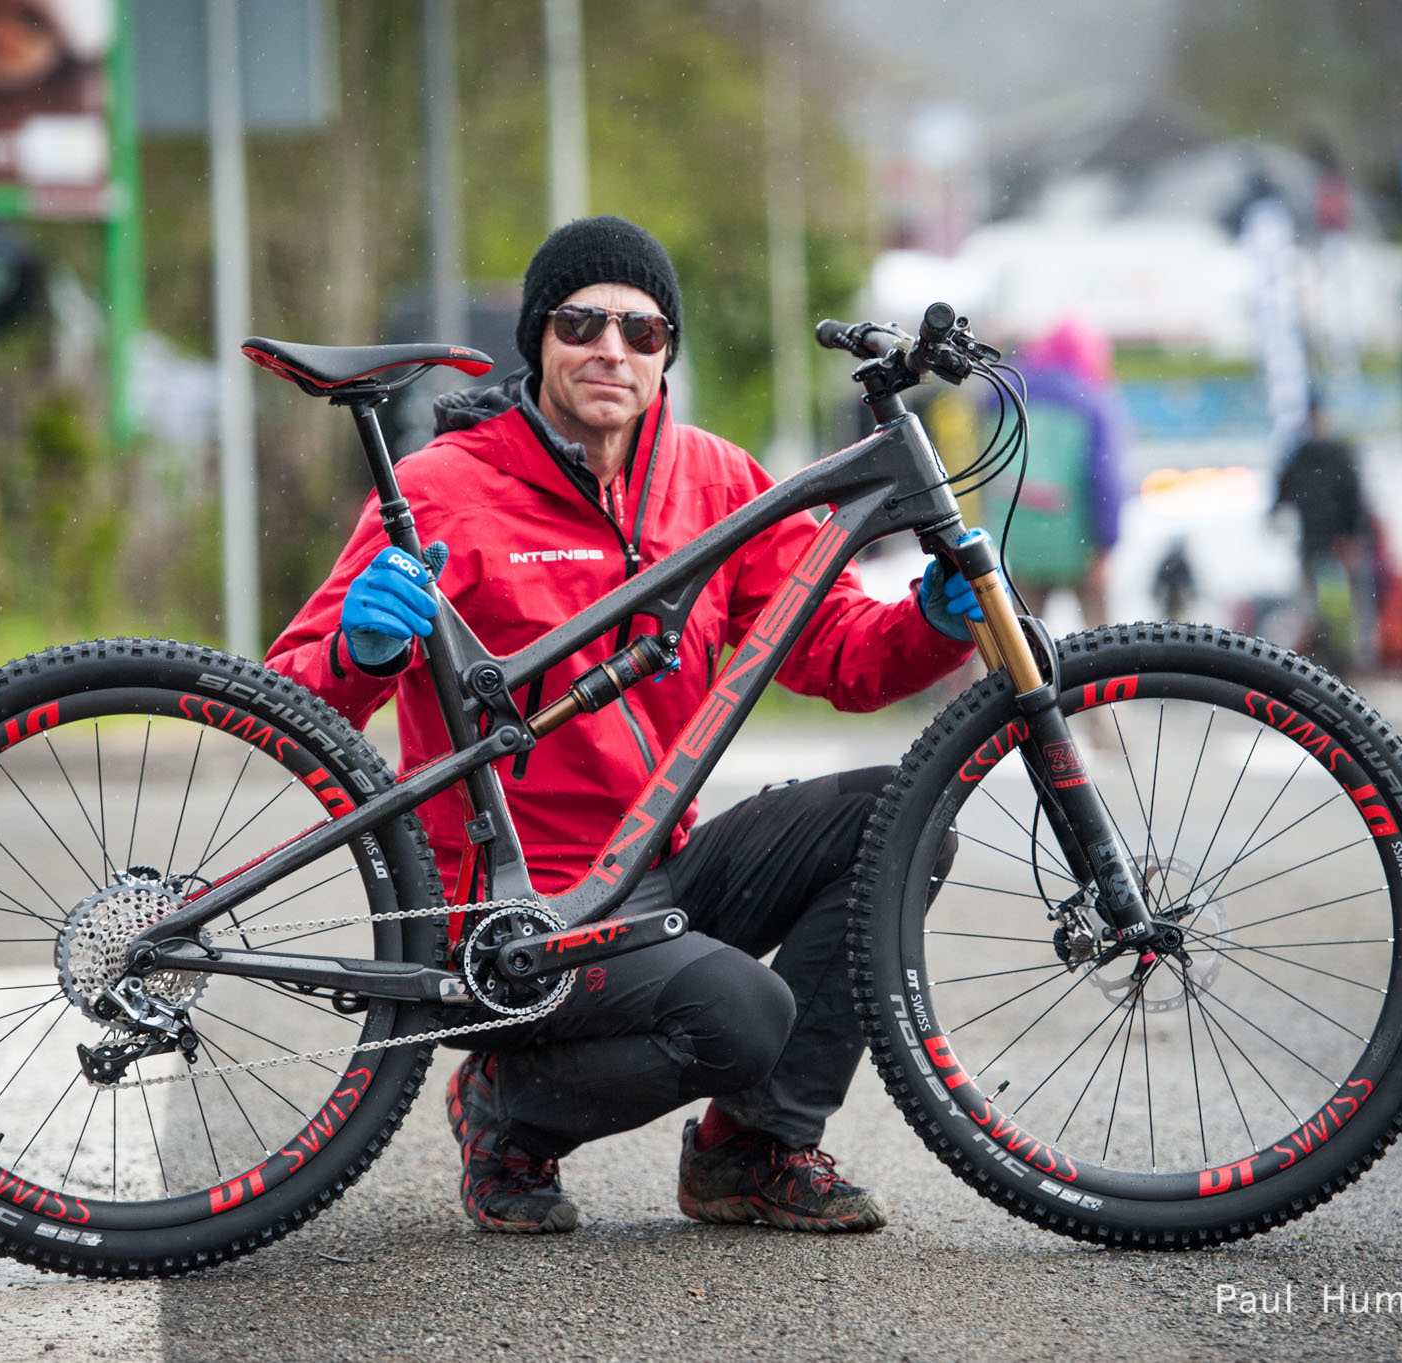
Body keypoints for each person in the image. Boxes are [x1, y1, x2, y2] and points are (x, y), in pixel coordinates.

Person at [267, 216, 985, 1235]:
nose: (611, 348)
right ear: (538, 339)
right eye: (581, 323)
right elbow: (289, 699)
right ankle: (503, 1113)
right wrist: (359, 649)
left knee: (896, 815)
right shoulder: (445, 489)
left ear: (665, 354)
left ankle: (750, 1151)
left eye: (641, 332)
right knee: (739, 1011)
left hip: (660, 863)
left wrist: (925, 626)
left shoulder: (714, 480)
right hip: (515, 906)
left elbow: (834, 650)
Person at [1002, 319, 1123, 629]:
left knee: (1018, 648)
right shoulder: (1092, 398)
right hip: (1078, 541)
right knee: (1104, 645)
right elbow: (1105, 477)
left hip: (1020, 540)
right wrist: (1106, 544)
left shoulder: (1010, 392)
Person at [1272, 394, 1372, 672]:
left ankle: (1347, 658)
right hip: (1312, 543)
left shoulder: (1339, 455)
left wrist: (1351, 537)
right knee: (1312, 605)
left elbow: (1353, 498)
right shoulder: (1302, 455)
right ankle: (1323, 657)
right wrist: (1275, 514)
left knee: (1341, 607)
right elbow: (1283, 487)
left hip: (1337, 544)